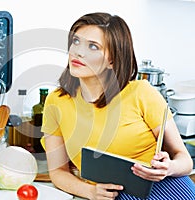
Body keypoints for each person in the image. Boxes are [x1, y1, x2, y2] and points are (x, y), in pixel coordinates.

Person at [41, 12, 195, 200]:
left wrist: (169, 168)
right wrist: (90, 191)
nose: (78, 52)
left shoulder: (141, 93)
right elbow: (57, 172)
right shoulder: (55, 101)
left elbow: (185, 161)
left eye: (92, 46)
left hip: (168, 187)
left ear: (112, 60)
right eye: (76, 41)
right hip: (111, 195)